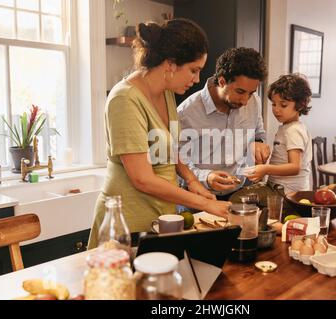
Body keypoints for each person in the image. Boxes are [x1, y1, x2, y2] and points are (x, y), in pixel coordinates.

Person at [88, 19, 231, 249]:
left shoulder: (166, 93)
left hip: (161, 217)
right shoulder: (124, 99)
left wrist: (192, 180)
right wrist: (204, 204)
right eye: (193, 70)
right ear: (170, 64)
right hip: (127, 222)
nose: (196, 80)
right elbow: (141, 178)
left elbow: (170, 148)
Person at [177, 47, 269, 200]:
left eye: (251, 93)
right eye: (240, 92)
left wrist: (258, 142)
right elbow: (175, 165)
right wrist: (206, 177)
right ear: (221, 81)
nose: (246, 101)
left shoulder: (254, 102)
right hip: (198, 198)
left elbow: (258, 133)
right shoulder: (185, 113)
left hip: (240, 193)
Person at [245, 74, 313, 193]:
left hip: (288, 194)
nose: (276, 109)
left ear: (301, 104)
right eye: (274, 104)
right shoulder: (287, 127)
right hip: (278, 189)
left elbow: (294, 167)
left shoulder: (294, 130)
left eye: (283, 105)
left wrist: (265, 169)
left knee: (239, 199)